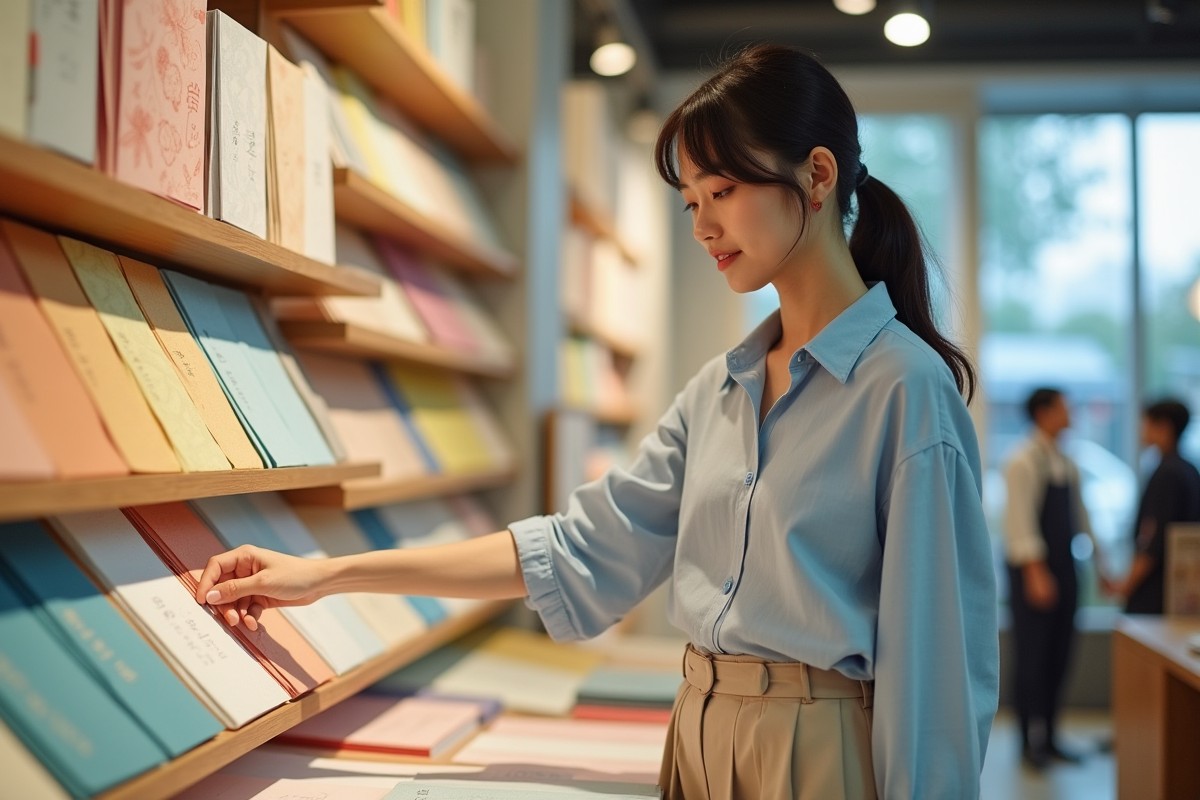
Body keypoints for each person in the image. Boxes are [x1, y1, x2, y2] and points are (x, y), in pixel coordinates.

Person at [194, 44, 998, 800]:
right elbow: (575, 549)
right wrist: (326, 574)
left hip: (818, 753)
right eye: (690, 201)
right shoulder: (718, 392)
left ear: (818, 175)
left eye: (723, 191)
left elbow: (939, 669)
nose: (702, 226)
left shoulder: (905, 390)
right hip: (693, 733)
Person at [1002, 388, 1093, 770]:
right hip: (1032, 571)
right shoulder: (1022, 460)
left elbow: (1081, 517)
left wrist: (1101, 563)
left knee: (1060, 655)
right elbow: (1019, 522)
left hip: (1066, 566)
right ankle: (1027, 743)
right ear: (1043, 413)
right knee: (1032, 657)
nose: (1070, 412)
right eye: (1063, 406)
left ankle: (1051, 737)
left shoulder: (1067, 460)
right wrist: (1036, 573)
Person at [1110, 399, 1200, 614]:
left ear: (1163, 427)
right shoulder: (1189, 470)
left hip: (1157, 590)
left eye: (1146, 423)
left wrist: (1127, 585)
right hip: (1182, 587)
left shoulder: (1166, 474)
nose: (1141, 430)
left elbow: (1153, 540)